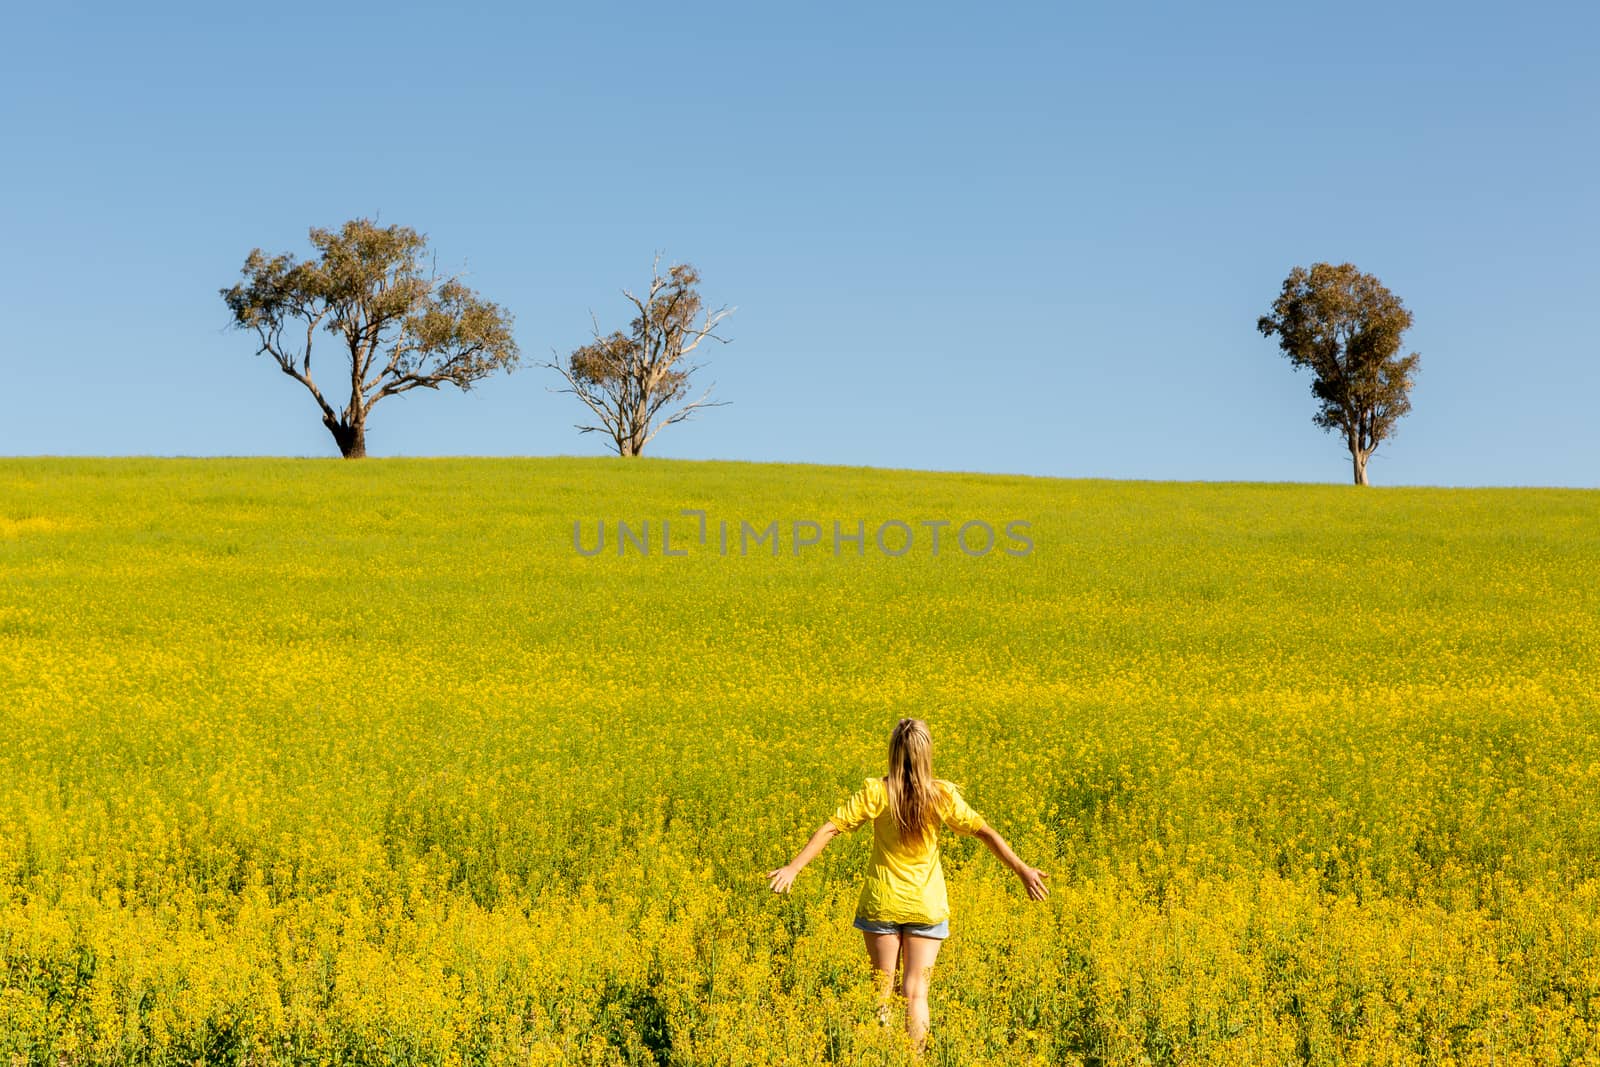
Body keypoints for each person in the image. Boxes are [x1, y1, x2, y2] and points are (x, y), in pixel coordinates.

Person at [766, 718, 1049, 1055]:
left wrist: (794, 867)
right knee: (916, 994)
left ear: (893, 753)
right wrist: (1021, 869)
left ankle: (884, 1058)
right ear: (927, 754)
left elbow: (831, 828)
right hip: (926, 906)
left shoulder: (877, 792)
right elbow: (984, 831)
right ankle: (913, 1060)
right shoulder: (942, 795)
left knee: (881, 993)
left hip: (881, 902)